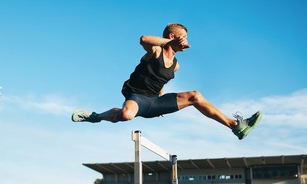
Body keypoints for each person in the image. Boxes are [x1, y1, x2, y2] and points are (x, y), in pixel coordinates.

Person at [71, 23, 261, 140]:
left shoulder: (176, 65)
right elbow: (143, 38)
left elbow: (161, 82)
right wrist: (170, 43)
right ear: (172, 37)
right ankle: (95, 117)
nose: (187, 42)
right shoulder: (156, 51)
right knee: (126, 115)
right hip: (137, 98)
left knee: (195, 96)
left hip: (155, 102)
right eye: (184, 37)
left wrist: (161, 103)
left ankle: (236, 126)